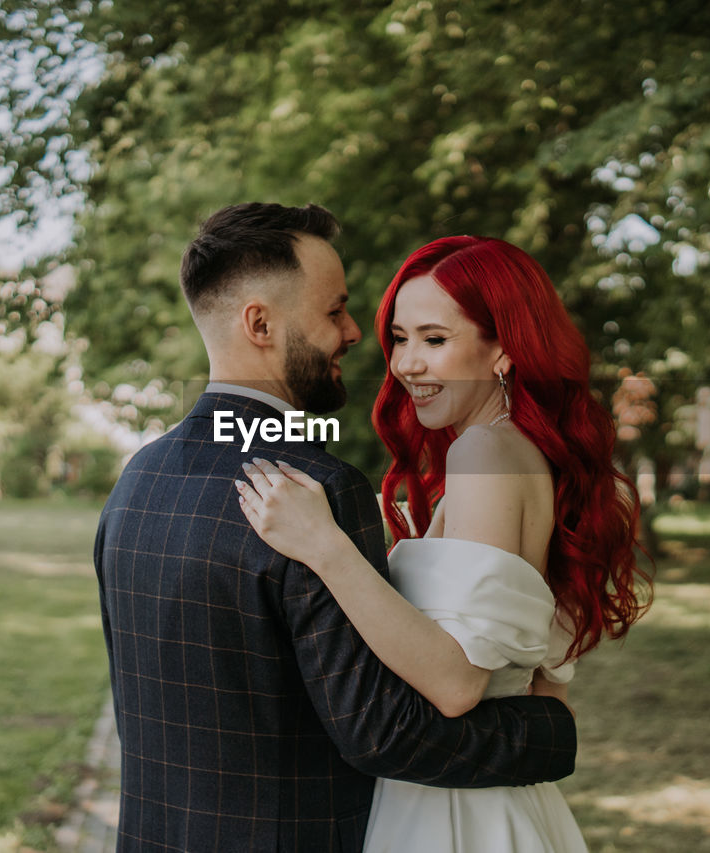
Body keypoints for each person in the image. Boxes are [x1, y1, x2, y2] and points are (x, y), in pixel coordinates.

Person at [93, 205, 579, 853]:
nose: (357, 335)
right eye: (334, 311)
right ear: (260, 323)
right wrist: (551, 729)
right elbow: (384, 730)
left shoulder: (138, 480)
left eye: (429, 338)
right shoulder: (315, 487)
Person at [237, 235, 650, 852]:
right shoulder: (520, 456)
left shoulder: (482, 453)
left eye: (435, 339)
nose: (406, 365)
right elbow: (546, 692)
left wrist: (324, 545)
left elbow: (458, 685)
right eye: (400, 339)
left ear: (503, 350)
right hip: (495, 802)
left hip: (451, 814)